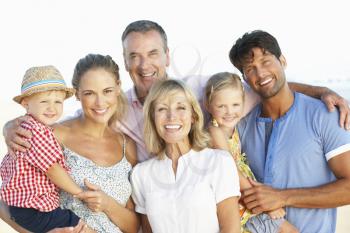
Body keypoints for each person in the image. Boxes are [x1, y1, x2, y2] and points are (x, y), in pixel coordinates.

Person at [3, 20, 350, 163]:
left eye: (153, 53)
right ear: (125, 63)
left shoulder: (204, 88)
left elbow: (263, 87)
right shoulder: (117, 106)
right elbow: (76, 119)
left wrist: (321, 91)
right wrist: (15, 126)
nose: (145, 64)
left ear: (166, 56)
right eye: (134, 56)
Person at [1, 54, 140, 233]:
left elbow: (134, 227)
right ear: (76, 93)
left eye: (107, 91)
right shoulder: (53, 135)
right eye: (89, 93)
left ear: (118, 87)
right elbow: (11, 198)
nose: (100, 102)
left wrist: (107, 204)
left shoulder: (127, 146)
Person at [229, 30, 350, 233]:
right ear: (245, 80)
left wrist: (282, 196)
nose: (260, 73)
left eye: (266, 61)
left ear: (282, 60)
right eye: (250, 69)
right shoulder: (241, 126)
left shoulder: (324, 115)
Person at [131, 79, 241, 233]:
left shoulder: (219, 162)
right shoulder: (141, 174)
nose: (171, 116)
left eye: (181, 107)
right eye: (162, 109)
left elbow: (231, 229)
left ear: (193, 116)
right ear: (152, 118)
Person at [0, 65, 92, 232]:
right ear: (26, 104)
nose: (52, 108)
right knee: (80, 224)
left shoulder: (30, 127)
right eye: (44, 101)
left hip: (24, 208)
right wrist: (80, 193)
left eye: (58, 101)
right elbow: (52, 169)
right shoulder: (35, 131)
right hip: (34, 209)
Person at [204, 72, 298, 233]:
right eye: (221, 106)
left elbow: (279, 90)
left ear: (243, 103)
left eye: (235, 105)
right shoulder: (214, 132)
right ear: (208, 105)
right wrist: (266, 205)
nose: (229, 112)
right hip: (241, 201)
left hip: (247, 197)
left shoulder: (233, 127)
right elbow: (232, 172)